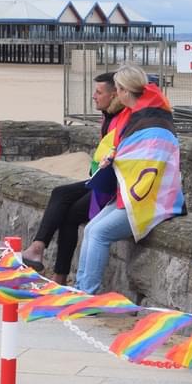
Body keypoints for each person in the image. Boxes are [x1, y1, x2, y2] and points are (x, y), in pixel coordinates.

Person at [74, 64, 185, 294]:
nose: (116, 94)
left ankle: (87, 293)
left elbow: (152, 160)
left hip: (152, 200)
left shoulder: (152, 120)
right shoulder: (138, 115)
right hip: (128, 195)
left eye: (118, 89)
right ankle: (79, 288)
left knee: (99, 233)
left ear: (125, 91)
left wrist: (117, 159)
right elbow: (130, 153)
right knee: (91, 228)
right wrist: (114, 158)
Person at [21, 71, 124, 283]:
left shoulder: (122, 119)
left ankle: (59, 275)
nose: (94, 96)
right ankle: (38, 248)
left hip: (113, 185)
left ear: (114, 95)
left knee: (71, 214)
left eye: (99, 92)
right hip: (101, 177)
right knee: (60, 192)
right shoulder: (108, 116)